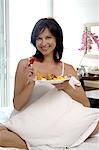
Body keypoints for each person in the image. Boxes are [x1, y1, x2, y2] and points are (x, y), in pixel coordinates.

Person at [0, 17, 98, 149]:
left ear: (57, 39)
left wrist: (66, 87)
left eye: (48, 37)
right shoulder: (25, 64)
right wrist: (31, 83)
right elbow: (17, 105)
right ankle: (35, 143)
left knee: (96, 121)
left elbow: (85, 103)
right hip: (32, 120)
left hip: (59, 121)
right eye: (39, 38)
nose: (43, 43)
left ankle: (43, 141)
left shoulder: (68, 68)